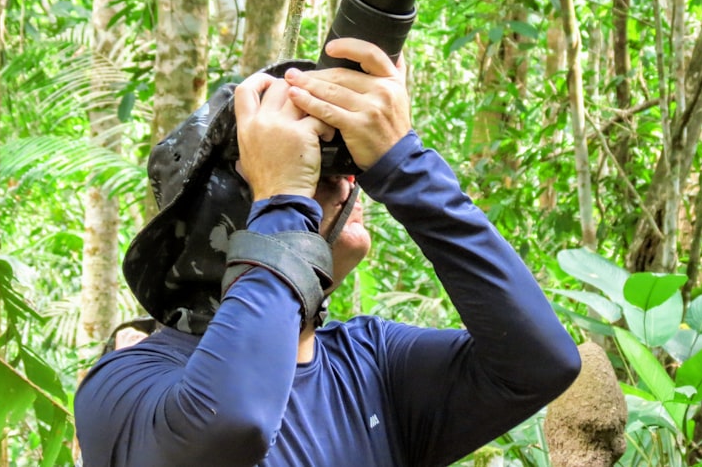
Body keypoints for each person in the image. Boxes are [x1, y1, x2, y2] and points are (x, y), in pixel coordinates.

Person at [74, 38, 581, 467]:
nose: (346, 183)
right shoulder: (125, 386)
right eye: (313, 169)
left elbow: (541, 363)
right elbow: (234, 421)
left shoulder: (372, 364)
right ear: (229, 218)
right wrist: (282, 197)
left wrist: (402, 163)